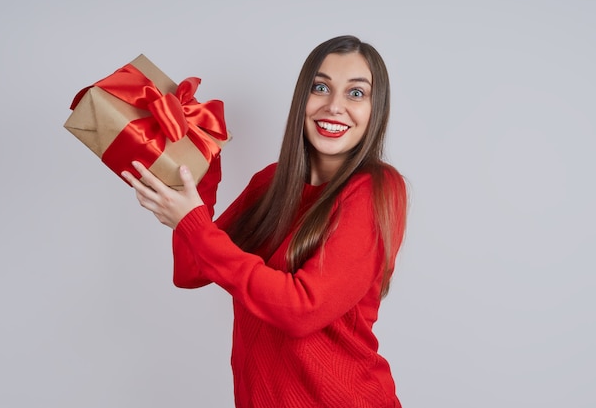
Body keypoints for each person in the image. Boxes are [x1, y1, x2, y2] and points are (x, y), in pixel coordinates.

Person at [121, 35, 408, 408]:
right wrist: (199, 175)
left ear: (376, 110)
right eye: (320, 87)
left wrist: (191, 222)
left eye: (356, 94)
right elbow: (192, 270)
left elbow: (301, 310)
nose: (335, 106)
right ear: (302, 98)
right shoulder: (271, 184)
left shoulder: (376, 190)